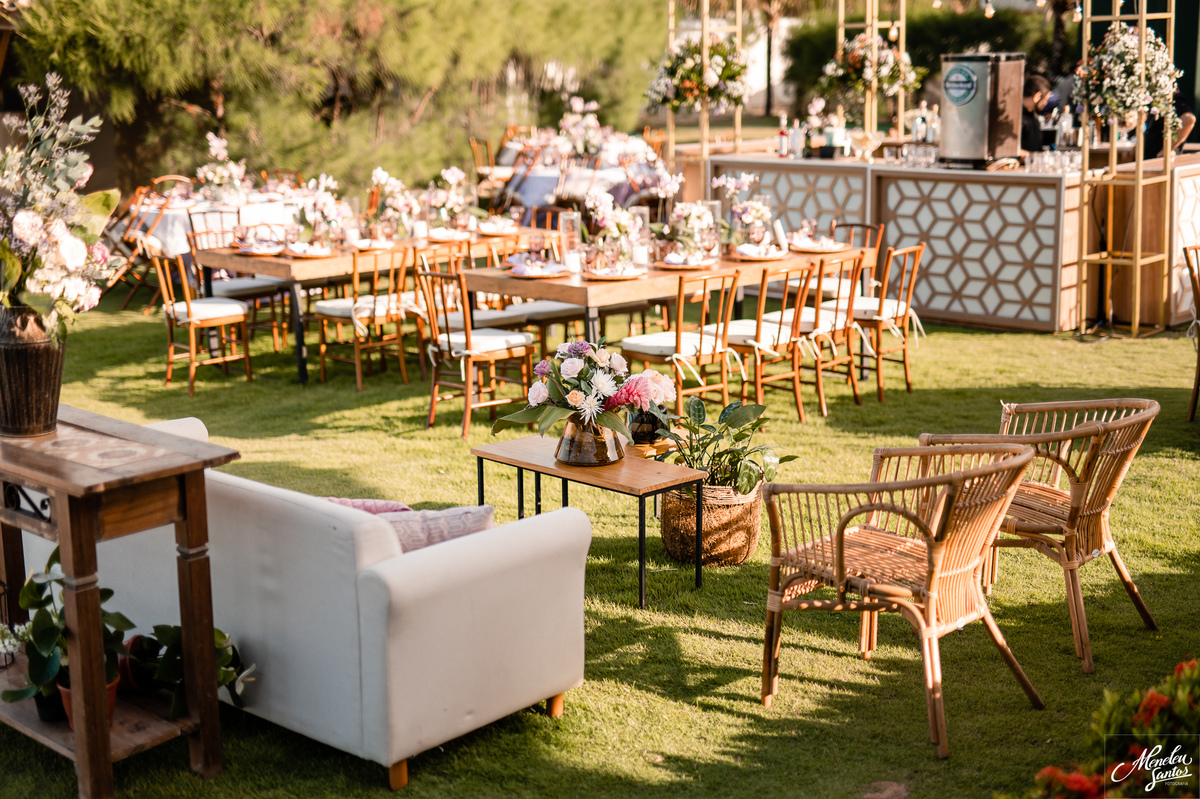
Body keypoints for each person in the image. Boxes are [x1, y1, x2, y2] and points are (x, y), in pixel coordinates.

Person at [1143, 89, 1197, 159]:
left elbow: (1189, 120)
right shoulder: (1157, 101)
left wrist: (1167, 149)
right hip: (1150, 159)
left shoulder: (1174, 99)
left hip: (1161, 160)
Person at [1020, 75, 1052, 156]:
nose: (1046, 103)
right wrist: (1033, 156)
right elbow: (1011, 149)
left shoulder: (1032, 116)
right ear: (1037, 96)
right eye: (1045, 99)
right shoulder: (1018, 118)